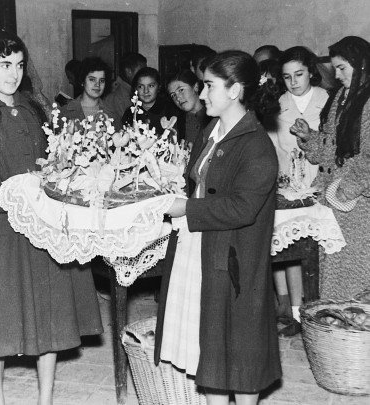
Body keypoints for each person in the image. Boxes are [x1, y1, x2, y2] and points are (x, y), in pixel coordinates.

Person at [0, 30, 103, 405]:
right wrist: (14, 195)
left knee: (49, 306)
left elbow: (51, 164)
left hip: (43, 226)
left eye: (19, 65)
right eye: (4, 64)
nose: (13, 73)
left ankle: (46, 396)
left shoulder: (35, 111)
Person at [155, 51, 281, 405]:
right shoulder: (212, 130)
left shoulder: (257, 145)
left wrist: (187, 208)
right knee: (209, 343)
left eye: (210, 86)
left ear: (235, 90)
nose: (203, 93)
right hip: (203, 247)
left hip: (235, 257)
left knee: (240, 348)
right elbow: (197, 180)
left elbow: (242, 207)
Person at [290, 36, 370, 299]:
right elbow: (331, 152)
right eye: (334, 68)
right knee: (333, 270)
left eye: (342, 68)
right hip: (334, 200)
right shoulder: (340, 98)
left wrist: (347, 189)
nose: (336, 75)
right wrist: (309, 137)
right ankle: (336, 331)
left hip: (358, 205)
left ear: (361, 65)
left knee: (357, 273)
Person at [268, 47, 329, 336]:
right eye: (287, 76)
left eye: (299, 74)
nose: (294, 81)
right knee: (290, 249)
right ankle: (294, 312)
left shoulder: (326, 100)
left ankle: (317, 309)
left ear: (311, 72)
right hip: (288, 188)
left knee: (318, 251)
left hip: (319, 186)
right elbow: (271, 147)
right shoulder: (277, 104)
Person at [122, 67, 180, 135]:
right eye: (141, 86)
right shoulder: (130, 112)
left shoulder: (171, 110)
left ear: (159, 87)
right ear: (136, 89)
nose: (146, 91)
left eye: (151, 86)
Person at [60, 57, 115, 124]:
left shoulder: (111, 114)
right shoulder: (64, 113)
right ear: (82, 81)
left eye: (102, 80)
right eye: (92, 79)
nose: (97, 84)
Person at [167, 69, 212, 145]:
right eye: (173, 95)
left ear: (196, 87)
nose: (178, 98)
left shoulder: (214, 116)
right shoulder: (176, 123)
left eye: (181, 90)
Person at [104, 52, 146, 126]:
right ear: (128, 71)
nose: (145, 75)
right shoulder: (120, 96)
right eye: (141, 71)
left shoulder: (134, 91)